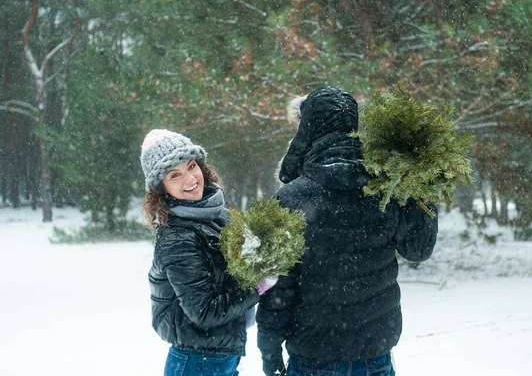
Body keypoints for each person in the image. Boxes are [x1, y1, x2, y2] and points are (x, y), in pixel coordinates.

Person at [256, 86, 439, 376]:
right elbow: (418, 248)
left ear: (309, 130)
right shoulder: (386, 189)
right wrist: (423, 189)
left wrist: (269, 346)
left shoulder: (292, 198)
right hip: (374, 353)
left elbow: (278, 285)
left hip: (313, 354)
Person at [140, 129, 274, 376]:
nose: (190, 178)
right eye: (175, 174)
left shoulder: (215, 216)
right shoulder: (178, 237)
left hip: (215, 356)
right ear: (162, 188)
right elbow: (205, 312)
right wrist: (257, 286)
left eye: (191, 166)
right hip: (198, 362)